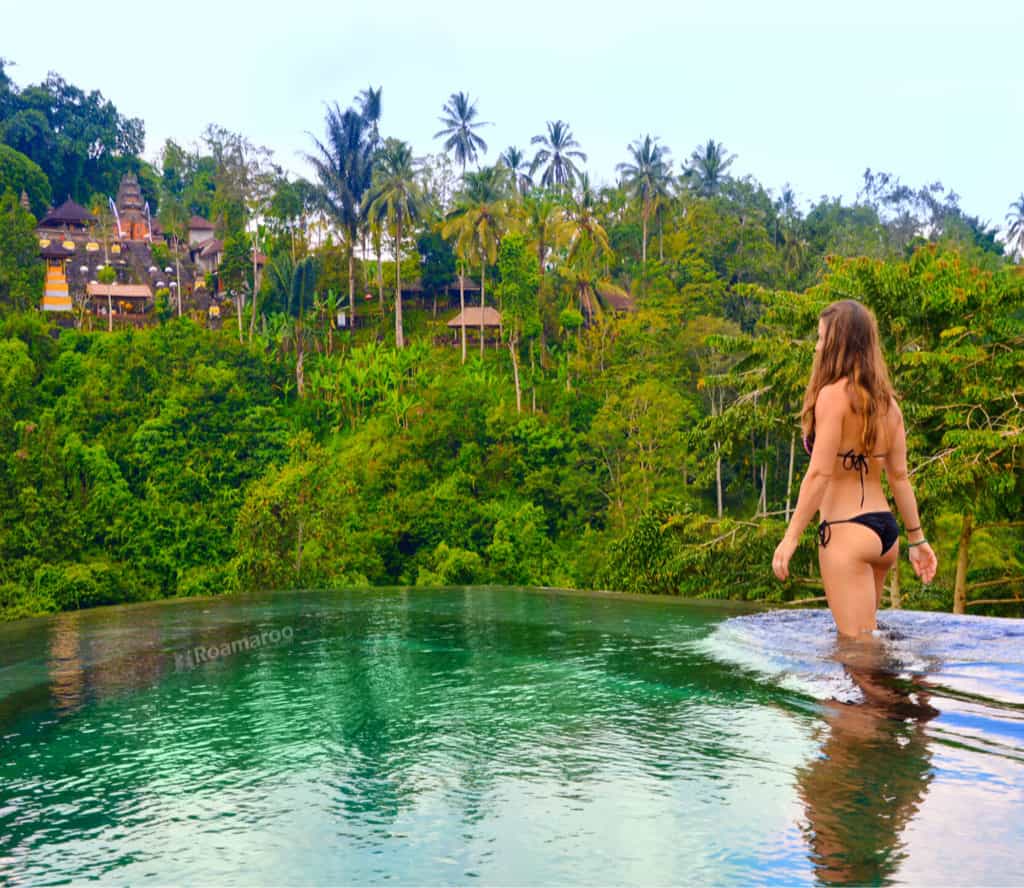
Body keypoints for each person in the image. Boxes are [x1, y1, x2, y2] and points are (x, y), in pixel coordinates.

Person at [772, 299, 938, 637]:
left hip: (846, 532)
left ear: (838, 343)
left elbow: (819, 473)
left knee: (857, 649)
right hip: (885, 533)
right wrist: (916, 539)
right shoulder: (889, 406)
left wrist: (790, 538)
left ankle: (907, 674)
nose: (817, 346)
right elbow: (900, 478)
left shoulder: (832, 397)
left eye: (821, 338)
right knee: (865, 638)